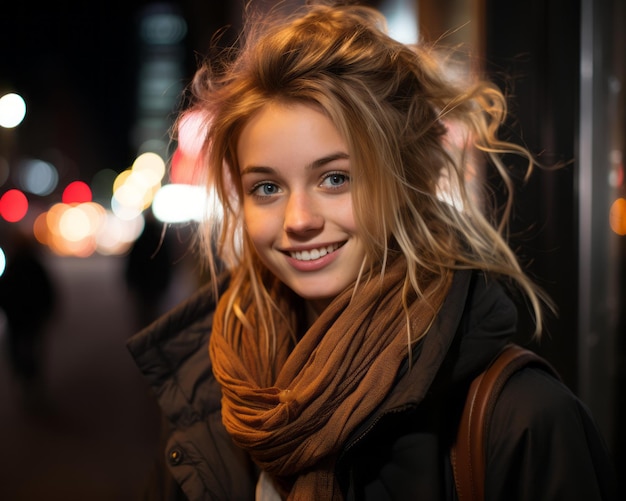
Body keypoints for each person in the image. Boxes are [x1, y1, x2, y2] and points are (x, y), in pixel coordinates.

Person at [127, 2, 617, 500]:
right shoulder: (216, 395)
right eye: (267, 188)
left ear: (408, 183)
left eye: (335, 178)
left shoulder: (521, 418)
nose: (299, 220)